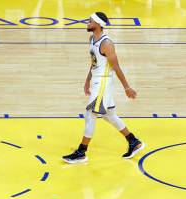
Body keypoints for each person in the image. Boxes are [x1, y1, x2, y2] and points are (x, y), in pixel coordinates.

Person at [62, 12, 144, 164]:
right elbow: (94, 63)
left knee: (90, 114)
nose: (87, 22)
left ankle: (81, 152)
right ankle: (134, 142)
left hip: (103, 83)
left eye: (90, 21)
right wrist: (88, 80)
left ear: (98, 24)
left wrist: (127, 88)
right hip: (96, 81)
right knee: (109, 115)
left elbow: (117, 67)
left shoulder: (107, 44)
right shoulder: (92, 39)